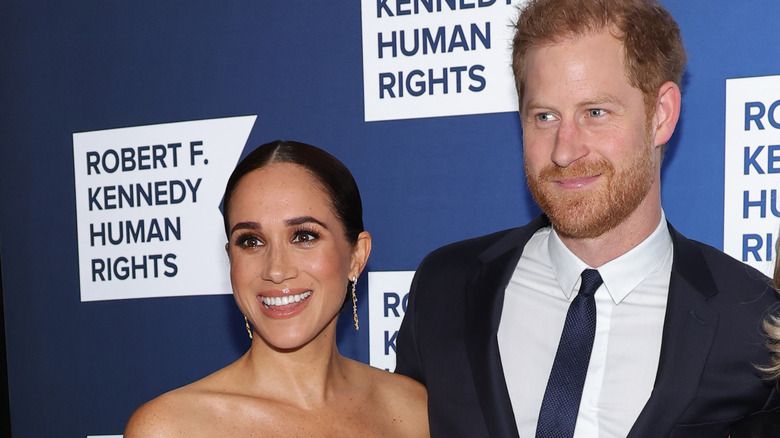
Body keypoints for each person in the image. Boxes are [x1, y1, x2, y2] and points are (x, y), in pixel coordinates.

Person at [395, 0, 780, 437]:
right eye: (544, 116)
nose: (563, 150)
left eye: (595, 113)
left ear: (661, 114)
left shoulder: (754, 321)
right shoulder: (444, 287)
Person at [125, 140, 429, 437]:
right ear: (231, 258)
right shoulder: (170, 428)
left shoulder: (414, 412)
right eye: (251, 241)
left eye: (304, 237)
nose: (276, 270)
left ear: (357, 256)